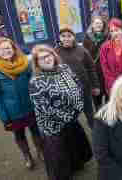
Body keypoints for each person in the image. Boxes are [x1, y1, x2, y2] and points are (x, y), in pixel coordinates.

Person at [29, 45, 92, 180]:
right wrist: (68, 116)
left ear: (54, 55)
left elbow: (78, 86)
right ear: (37, 63)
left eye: (49, 55)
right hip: (53, 126)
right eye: (42, 58)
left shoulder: (64, 69)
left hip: (71, 118)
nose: (47, 59)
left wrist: (77, 108)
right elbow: (45, 109)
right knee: (59, 156)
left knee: (73, 146)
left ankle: (76, 166)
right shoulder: (36, 81)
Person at [0, 37, 43, 169]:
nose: (6, 51)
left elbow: (35, 84)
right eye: (2, 49)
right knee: (19, 135)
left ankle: (41, 151)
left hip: (31, 107)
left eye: (8, 48)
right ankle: (27, 156)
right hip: (13, 113)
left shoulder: (25, 63)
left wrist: (40, 103)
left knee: (36, 131)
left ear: (13, 49)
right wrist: (4, 118)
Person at [56, 25, 100, 128]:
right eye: (63, 36)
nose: (66, 39)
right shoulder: (55, 52)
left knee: (89, 113)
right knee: (71, 117)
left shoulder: (82, 50)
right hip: (67, 93)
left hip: (84, 89)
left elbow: (91, 69)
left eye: (69, 36)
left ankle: (94, 132)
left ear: (73, 37)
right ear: (60, 38)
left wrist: (95, 86)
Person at [83, 15, 110, 109]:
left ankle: (107, 113)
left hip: (106, 70)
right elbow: (85, 56)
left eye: (100, 23)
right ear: (92, 25)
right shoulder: (87, 38)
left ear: (103, 25)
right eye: (96, 23)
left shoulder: (108, 36)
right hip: (94, 72)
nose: (98, 25)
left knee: (108, 94)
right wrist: (95, 43)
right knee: (96, 94)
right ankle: (98, 112)